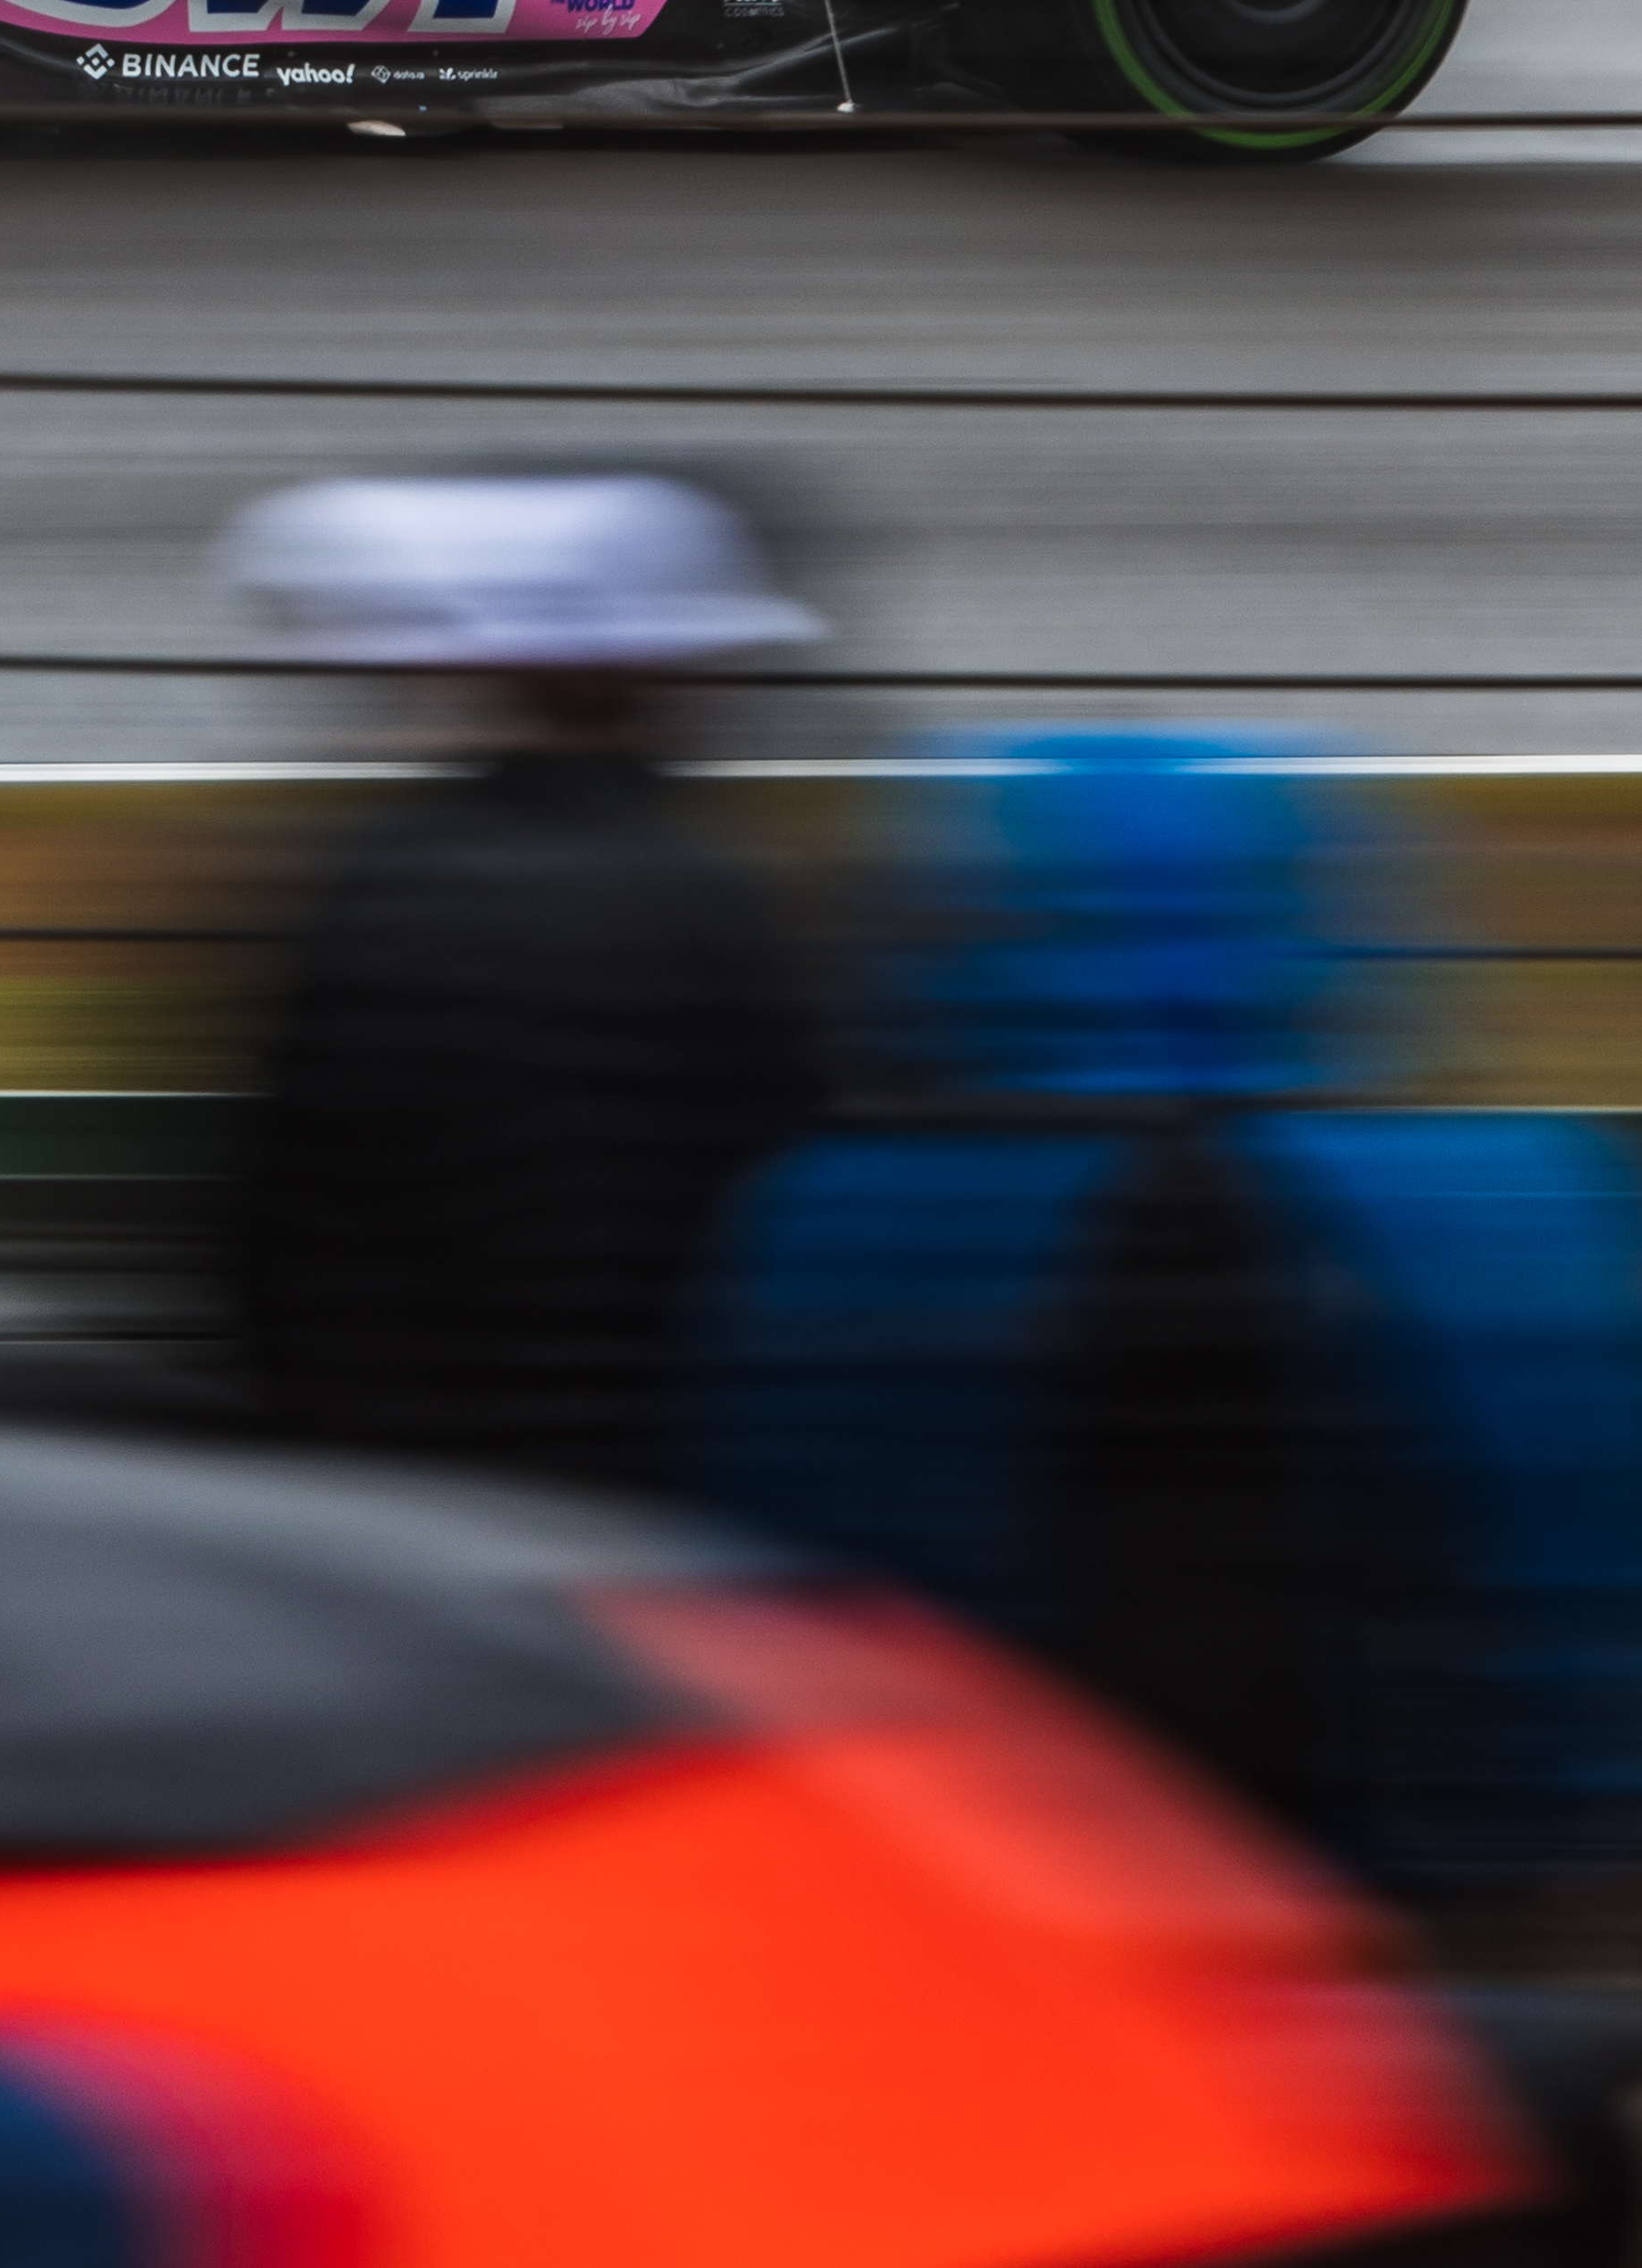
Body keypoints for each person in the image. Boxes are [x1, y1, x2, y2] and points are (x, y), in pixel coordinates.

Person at [690, 736, 1642, 1918]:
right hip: (1456, 1895)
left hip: (995, 1896)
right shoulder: (1529, 1193)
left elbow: (783, 1583)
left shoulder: (830, 1216)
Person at [214, 471, 829, 1493]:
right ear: (657, 682)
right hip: (656, 1476)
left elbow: (282, 1234)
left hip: (415, 1486)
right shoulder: (712, 895)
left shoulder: (377, 883)